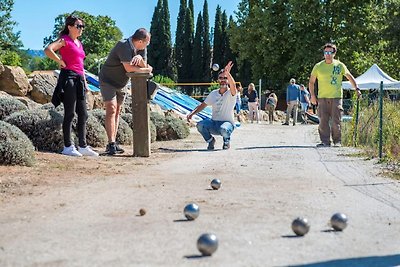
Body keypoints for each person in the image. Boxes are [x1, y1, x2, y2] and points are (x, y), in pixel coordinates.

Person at [45, 14, 98, 157]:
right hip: (68, 77)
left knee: (84, 114)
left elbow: (81, 66)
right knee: (70, 113)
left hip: (80, 79)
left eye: (82, 26)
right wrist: (59, 61)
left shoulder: (79, 44)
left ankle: (82, 146)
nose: (81, 29)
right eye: (78, 26)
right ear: (69, 27)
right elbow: (48, 49)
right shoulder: (65, 40)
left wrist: (86, 84)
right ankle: (68, 147)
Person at [99, 28, 153, 155]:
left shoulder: (142, 49)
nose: (147, 45)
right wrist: (144, 68)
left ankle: (113, 143)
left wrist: (141, 61)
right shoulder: (123, 45)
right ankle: (111, 143)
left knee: (117, 111)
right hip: (108, 80)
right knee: (111, 108)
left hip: (122, 83)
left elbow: (147, 67)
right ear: (140, 41)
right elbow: (130, 68)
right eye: (147, 42)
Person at [309, 43, 361, 147]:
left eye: (330, 52)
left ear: (334, 53)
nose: (327, 54)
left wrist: (357, 88)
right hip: (322, 97)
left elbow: (349, 76)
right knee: (323, 120)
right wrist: (313, 96)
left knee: (336, 120)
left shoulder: (339, 65)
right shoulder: (318, 66)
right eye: (325, 52)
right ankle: (325, 141)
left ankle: (337, 141)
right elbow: (311, 82)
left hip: (336, 97)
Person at [187, 61, 236, 150]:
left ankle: (226, 141)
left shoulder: (231, 93)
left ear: (228, 80)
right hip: (214, 123)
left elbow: (234, 87)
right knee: (200, 125)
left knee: (224, 129)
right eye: (221, 78)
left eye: (225, 78)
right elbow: (203, 105)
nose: (223, 80)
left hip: (227, 124)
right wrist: (192, 113)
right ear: (218, 80)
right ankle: (210, 141)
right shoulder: (213, 94)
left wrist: (228, 74)